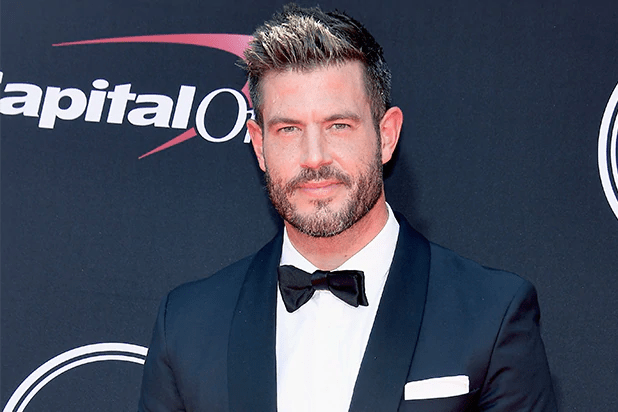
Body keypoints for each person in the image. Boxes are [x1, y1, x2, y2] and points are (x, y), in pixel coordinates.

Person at [138, 4, 556, 411]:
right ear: (260, 145)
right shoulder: (187, 325)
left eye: (338, 125)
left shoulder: (491, 315)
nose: (314, 157)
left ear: (386, 135)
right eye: (289, 129)